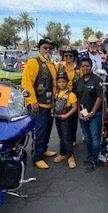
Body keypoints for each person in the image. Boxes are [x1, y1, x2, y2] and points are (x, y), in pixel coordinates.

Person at [21, 37, 57, 169]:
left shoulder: (51, 64)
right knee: (39, 131)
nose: (48, 50)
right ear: (40, 48)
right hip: (37, 105)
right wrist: (32, 101)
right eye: (45, 48)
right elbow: (26, 83)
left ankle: (43, 149)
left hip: (49, 104)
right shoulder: (33, 62)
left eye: (50, 48)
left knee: (47, 129)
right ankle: (37, 157)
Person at [76, 57, 103, 172]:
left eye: (87, 66)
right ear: (80, 68)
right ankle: (90, 156)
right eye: (83, 66)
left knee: (95, 137)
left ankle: (94, 160)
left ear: (91, 66)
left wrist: (92, 112)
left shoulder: (97, 80)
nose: (85, 68)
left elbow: (100, 97)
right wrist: (79, 113)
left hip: (95, 114)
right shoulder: (79, 81)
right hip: (83, 115)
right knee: (87, 138)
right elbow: (77, 98)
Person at [53, 71, 78, 169]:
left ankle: (70, 156)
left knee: (67, 137)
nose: (61, 84)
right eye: (59, 82)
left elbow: (74, 107)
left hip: (66, 119)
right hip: (58, 118)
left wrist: (66, 115)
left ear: (67, 82)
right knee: (61, 136)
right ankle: (62, 153)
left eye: (63, 82)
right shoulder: (57, 93)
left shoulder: (71, 94)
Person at [57, 47, 80, 146]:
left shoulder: (78, 69)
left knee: (73, 120)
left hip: (74, 97)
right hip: (61, 97)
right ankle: (64, 141)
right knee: (61, 119)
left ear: (74, 57)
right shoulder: (58, 66)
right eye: (66, 55)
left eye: (71, 55)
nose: (68, 57)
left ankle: (73, 139)